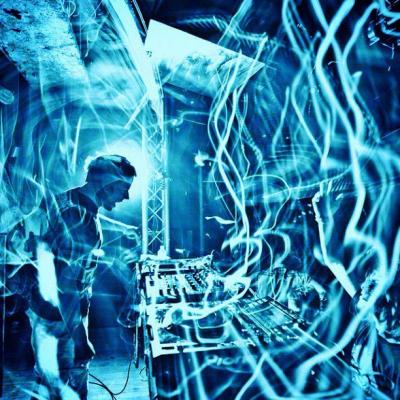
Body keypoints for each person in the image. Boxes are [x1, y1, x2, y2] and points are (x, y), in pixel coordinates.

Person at [8, 155, 136, 399]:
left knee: (48, 383)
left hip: (45, 312)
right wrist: (80, 340)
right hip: (62, 320)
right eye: (123, 188)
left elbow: (79, 221)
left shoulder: (68, 200)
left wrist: (121, 229)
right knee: (66, 388)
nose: (126, 197)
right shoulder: (83, 225)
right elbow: (66, 287)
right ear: (107, 183)